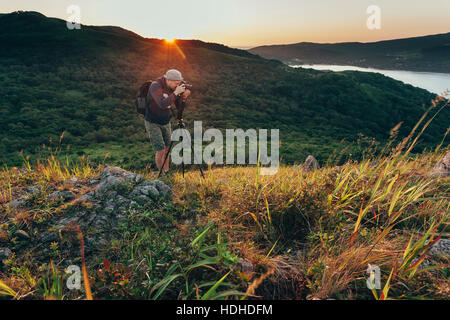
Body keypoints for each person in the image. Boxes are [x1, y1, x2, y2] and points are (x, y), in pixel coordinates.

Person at [145, 69, 191, 174]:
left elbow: (179, 104)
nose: (178, 85)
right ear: (168, 80)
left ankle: (166, 172)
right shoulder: (155, 86)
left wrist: (184, 97)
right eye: (176, 83)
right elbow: (162, 104)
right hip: (153, 122)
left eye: (179, 83)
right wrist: (176, 92)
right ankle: (161, 174)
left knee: (167, 149)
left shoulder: (173, 87)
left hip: (166, 121)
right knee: (160, 149)